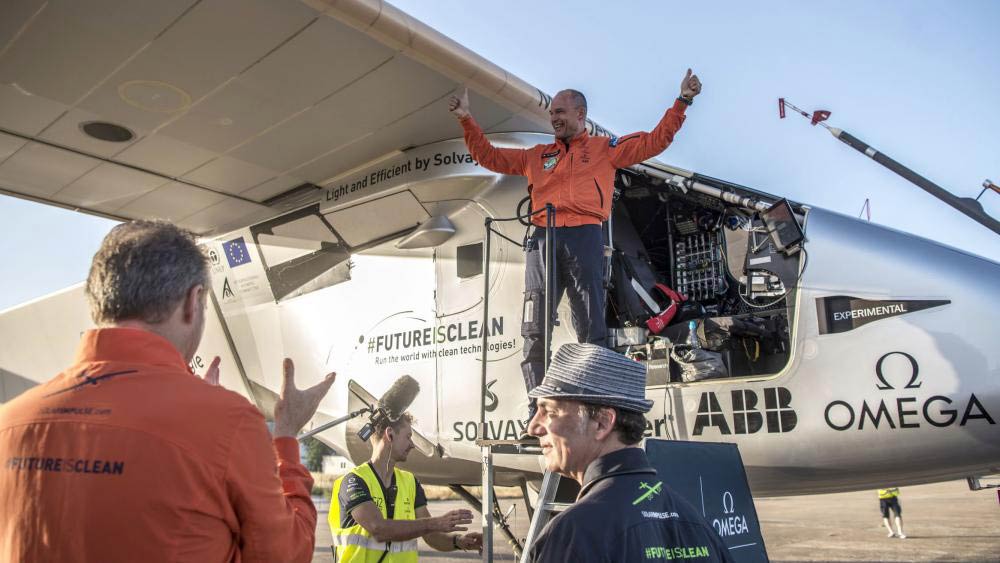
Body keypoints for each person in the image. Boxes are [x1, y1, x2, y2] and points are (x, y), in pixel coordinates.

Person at [0, 220, 336, 562]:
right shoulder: (227, 421)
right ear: (193, 302)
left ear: (98, 302)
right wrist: (286, 437)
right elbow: (285, 555)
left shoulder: (9, 422)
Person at [449, 69, 703, 422]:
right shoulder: (536, 155)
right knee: (534, 329)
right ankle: (536, 411)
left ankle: (593, 407)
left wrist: (682, 101)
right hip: (541, 240)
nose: (553, 118)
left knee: (591, 331)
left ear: (580, 115)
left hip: (585, 237)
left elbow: (654, 141)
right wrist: (466, 118)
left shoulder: (604, 150)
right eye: (551, 113)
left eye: (560, 112)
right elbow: (488, 157)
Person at [525, 343, 732, 562]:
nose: (533, 427)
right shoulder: (697, 525)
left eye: (550, 412)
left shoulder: (574, 534)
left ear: (602, 423)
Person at [329, 412, 483, 561]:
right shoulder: (353, 481)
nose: (412, 445)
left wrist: (458, 541)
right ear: (390, 435)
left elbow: (430, 536)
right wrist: (436, 523)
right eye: (408, 437)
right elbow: (378, 529)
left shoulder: (410, 482)